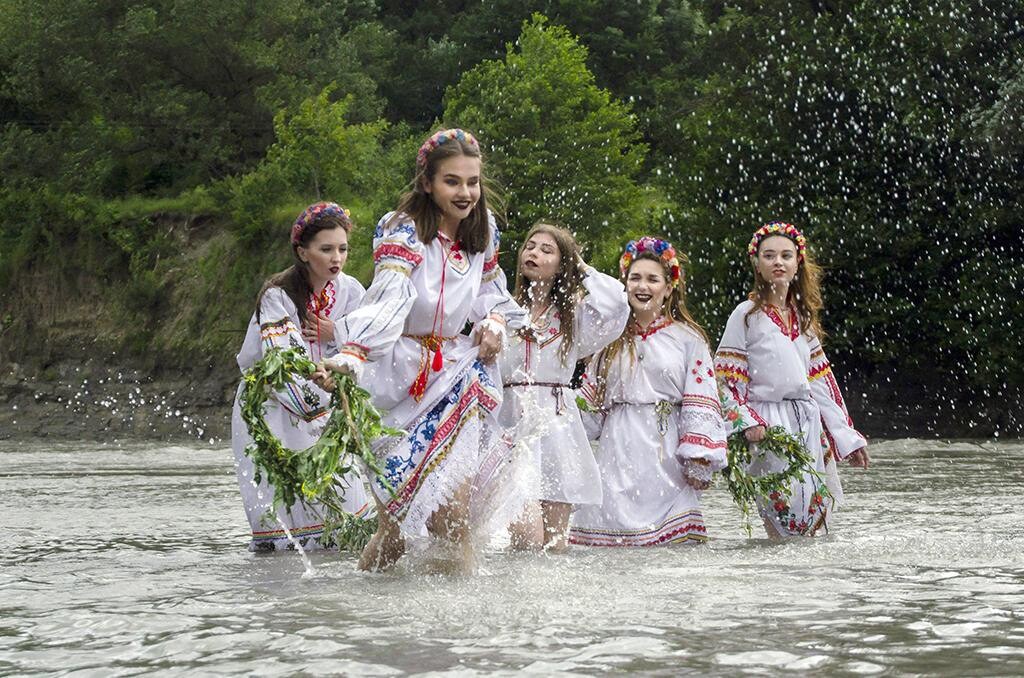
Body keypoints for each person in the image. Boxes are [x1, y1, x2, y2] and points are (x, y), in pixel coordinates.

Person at [318, 129, 526, 573]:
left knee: (453, 521)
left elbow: (492, 295)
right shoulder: (404, 230)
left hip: (453, 376)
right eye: (453, 181)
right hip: (399, 379)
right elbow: (389, 299)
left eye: (473, 182)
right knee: (393, 531)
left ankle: (456, 627)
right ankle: (368, 614)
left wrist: (493, 322)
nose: (466, 192)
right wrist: (352, 353)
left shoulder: (483, 231)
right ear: (427, 182)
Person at [569, 237, 727, 547]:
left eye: (653, 279)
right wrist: (557, 420)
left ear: (668, 288)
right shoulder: (609, 339)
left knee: (672, 554)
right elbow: (591, 403)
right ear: (624, 284)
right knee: (612, 553)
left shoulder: (688, 339)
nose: (643, 285)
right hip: (617, 450)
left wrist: (699, 459)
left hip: (664, 452)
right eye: (635, 277)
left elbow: (701, 398)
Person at [714, 221, 869, 538]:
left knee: (812, 525)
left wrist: (847, 438)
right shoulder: (745, 315)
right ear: (757, 263)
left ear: (798, 262)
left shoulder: (804, 316)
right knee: (783, 520)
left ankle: (803, 584)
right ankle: (777, 581)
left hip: (807, 425)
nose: (778, 262)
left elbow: (822, 385)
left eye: (786, 255)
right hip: (768, 426)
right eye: (769, 255)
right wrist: (745, 422)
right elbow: (723, 380)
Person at [231, 201, 371, 551]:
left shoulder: (352, 291)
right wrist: (328, 391)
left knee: (346, 505)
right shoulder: (277, 295)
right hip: (272, 409)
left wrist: (335, 334)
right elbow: (283, 364)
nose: (336, 258)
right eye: (326, 249)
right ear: (303, 252)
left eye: (342, 249)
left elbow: (369, 342)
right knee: (285, 511)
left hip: (329, 404)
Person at [500, 222, 629, 552]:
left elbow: (617, 304)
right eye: (530, 246)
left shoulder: (574, 317)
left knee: (556, 544)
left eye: (547, 250)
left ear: (562, 264)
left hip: (557, 425)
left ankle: (550, 604)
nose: (534, 253)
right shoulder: (503, 308)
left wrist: (581, 267)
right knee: (527, 537)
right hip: (511, 423)